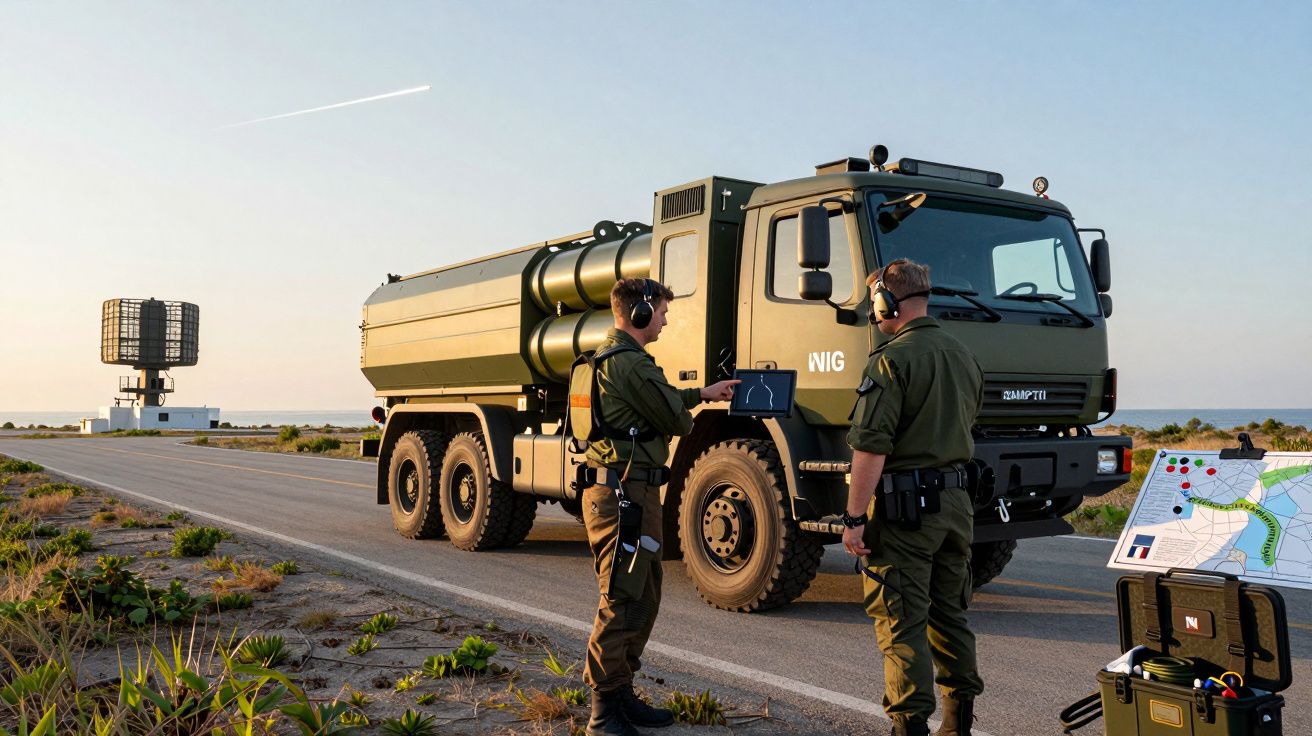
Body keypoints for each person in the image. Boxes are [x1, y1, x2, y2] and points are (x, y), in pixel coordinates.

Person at [582, 277, 739, 736]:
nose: (667, 320)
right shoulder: (630, 364)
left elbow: (659, 405)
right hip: (625, 497)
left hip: (633, 492)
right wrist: (686, 407)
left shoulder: (618, 361)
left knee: (643, 593)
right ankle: (603, 712)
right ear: (640, 312)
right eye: (663, 312)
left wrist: (701, 393)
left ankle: (620, 691)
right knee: (622, 597)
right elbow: (673, 418)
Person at [841, 259, 985, 736]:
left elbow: (870, 447)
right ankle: (958, 721)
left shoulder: (890, 359)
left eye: (873, 302)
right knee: (950, 615)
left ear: (888, 301)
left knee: (900, 619)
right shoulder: (963, 354)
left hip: (906, 513)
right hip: (955, 507)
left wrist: (854, 517)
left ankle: (908, 725)